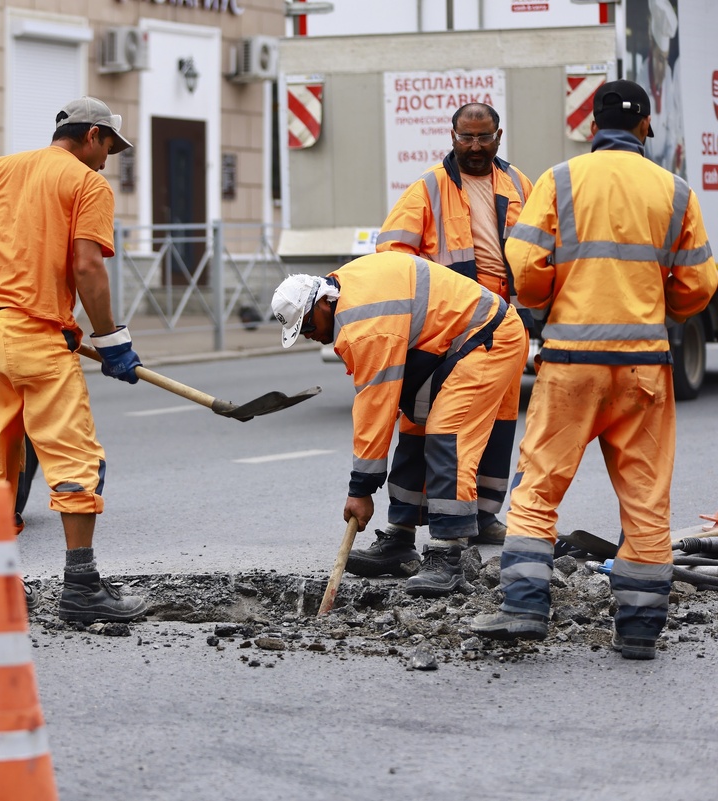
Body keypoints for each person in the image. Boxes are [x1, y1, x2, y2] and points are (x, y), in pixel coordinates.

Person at [470, 80, 717, 659]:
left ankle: (524, 608)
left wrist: (553, 297)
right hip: (644, 370)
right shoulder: (674, 190)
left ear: (592, 127)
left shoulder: (559, 180)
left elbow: (525, 268)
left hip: (571, 365)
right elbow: (699, 286)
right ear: (645, 127)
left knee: (539, 487)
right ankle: (639, 629)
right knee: (645, 500)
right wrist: (659, 305)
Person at [0, 96, 147, 623]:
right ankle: (83, 588)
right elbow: (87, 268)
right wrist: (112, 340)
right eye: (108, 147)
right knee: (75, 460)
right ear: (92, 135)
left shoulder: (0, 169)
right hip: (35, 336)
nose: (107, 160)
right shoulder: (87, 184)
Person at [271, 251, 527, 597]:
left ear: (324, 304)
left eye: (308, 327)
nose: (308, 336)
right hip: (448, 343)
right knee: (414, 431)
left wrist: (360, 490)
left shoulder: (363, 325)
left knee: (448, 435)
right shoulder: (346, 295)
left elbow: (375, 407)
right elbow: (386, 400)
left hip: (488, 336)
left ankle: (448, 557)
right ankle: (399, 541)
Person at [352, 103, 534, 587]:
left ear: (499, 136)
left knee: (496, 420)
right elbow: (392, 256)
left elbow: (539, 250)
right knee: (422, 423)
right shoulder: (429, 187)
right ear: (452, 136)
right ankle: (401, 530)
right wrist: (436, 296)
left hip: (503, 322)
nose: (475, 146)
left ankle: (481, 516)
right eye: (466, 137)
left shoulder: (518, 184)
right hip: (447, 325)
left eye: (483, 137)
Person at [632, 0, 686, 176]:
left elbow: (671, 119)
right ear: (652, 50)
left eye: (666, 58)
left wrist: (668, 164)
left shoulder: (668, 74)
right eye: (660, 59)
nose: (663, 66)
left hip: (664, 167)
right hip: (646, 166)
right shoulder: (641, 77)